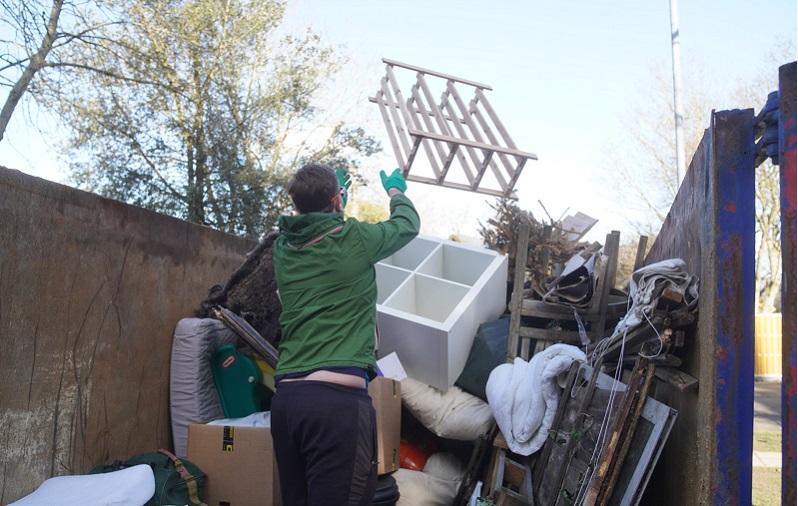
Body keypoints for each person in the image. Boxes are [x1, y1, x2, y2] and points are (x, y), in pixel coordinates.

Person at [270, 163, 420, 506]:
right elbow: (406, 225)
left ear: (296, 205)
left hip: (287, 406)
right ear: (338, 200)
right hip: (335, 409)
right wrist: (396, 191)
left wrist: (332, 204)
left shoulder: (282, 251)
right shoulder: (356, 238)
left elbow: (315, 232)